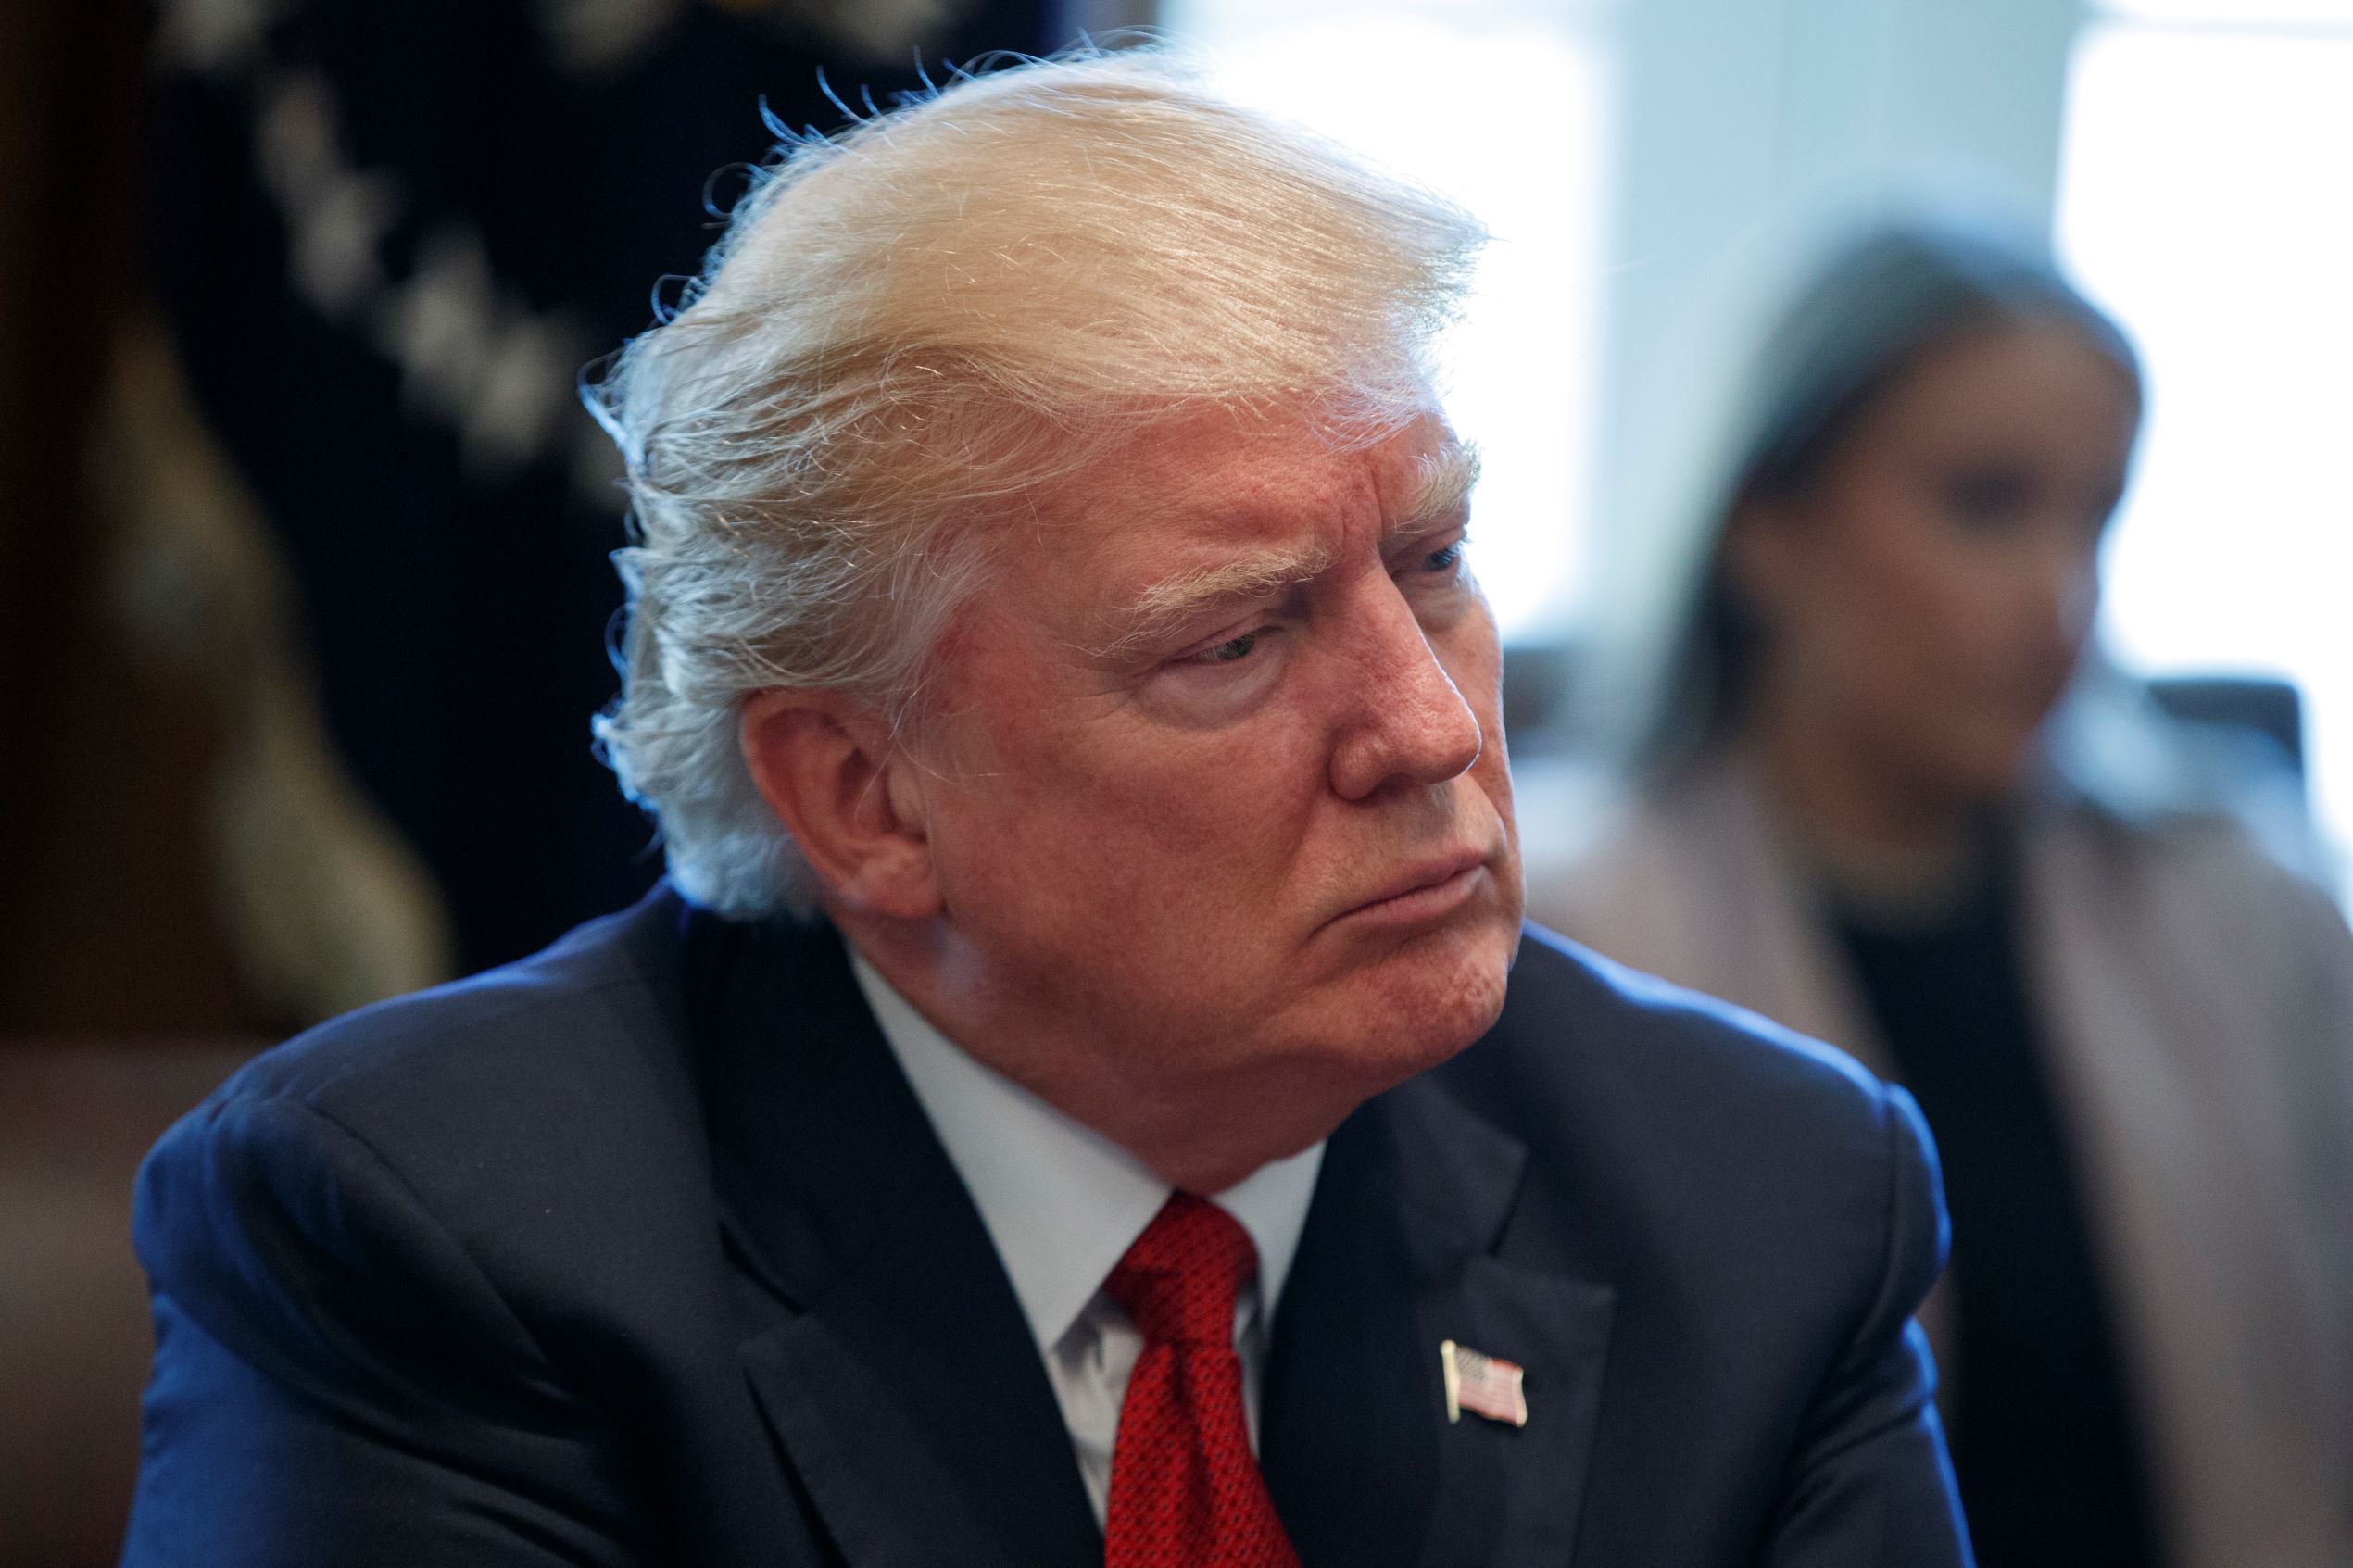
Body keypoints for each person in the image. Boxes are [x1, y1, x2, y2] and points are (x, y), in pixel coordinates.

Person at [119, 56, 1970, 1566]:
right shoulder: (442, 1241)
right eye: (1233, 640)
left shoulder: (1761, 1208)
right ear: (865, 795)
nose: (1425, 728)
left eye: (1430, 562)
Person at [1528, 219, 2353, 1568]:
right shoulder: (1566, 938)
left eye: (2097, 514)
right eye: (1985, 502)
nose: (2061, 597)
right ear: (1768, 523)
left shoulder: (2248, 916)